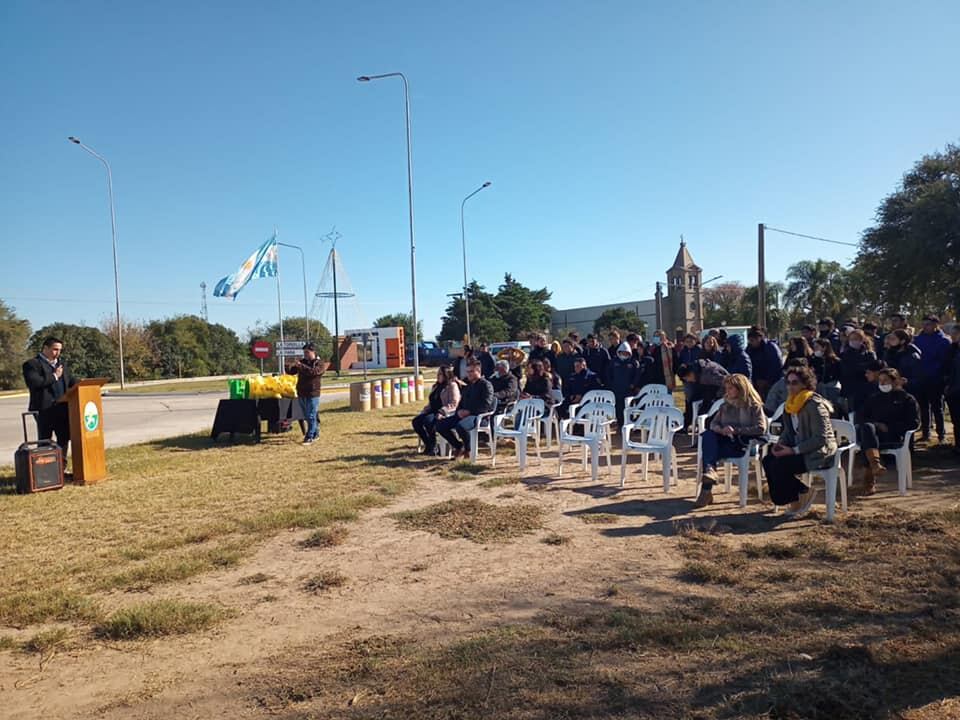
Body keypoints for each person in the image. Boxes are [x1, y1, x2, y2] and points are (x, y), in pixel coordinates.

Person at [762, 365, 837, 515]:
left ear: (805, 384)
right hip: (798, 448)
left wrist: (793, 450)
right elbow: (788, 431)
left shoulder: (814, 405)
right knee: (768, 460)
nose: (790, 386)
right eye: (788, 382)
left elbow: (820, 438)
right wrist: (780, 444)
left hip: (818, 453)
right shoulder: (790, 405)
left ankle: (800, 496)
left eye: (795, 382)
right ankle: (796, 497)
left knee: (781, 465)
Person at [694, 374, 767, 508]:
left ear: (741, 389)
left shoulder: (753, 406)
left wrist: (737, 430)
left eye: (731, 388)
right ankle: (710, 472)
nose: (727, 391)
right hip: (725, 441)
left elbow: (761, 428)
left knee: (709, 453)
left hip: (743, 444)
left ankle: (706, 490)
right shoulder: (725, 405)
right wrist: (720, 430)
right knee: (708, 435)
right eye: (726, 388)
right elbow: (713, 424)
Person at [855, 368, 920, 494]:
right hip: (873, 434)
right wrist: (876, 424)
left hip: (894, 436)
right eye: (880, 381)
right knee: (867, 428)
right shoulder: (874, 398)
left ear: (896, 382)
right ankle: (875, 465)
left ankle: (870, 477)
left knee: (866, 439)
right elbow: (860, 416)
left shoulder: (907, 399)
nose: (882, 384)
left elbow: (914, 423)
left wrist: (890, 427)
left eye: (886, 381)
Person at [23, 336, 77, 452]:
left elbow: (71, 381)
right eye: (55, 349)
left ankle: (61, 468)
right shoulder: (32, 364)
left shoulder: (61, 364)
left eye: (59, 350)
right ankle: (44, 468)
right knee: (45, 441)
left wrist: (85, 385)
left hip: (62, 408)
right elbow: (35, 383)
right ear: (45, 348)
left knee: (63, 438)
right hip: (43, 409)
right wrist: (54, 376)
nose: (57, 353)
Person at [435, 361, 495, 459]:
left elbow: (486, 404)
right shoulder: (469, 386)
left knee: (461, 426)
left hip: (479, 416)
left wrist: (469, 412)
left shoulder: (486, 385)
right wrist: (459, 411)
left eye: (471, 371)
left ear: (478, 371)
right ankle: (459, 446)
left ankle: (468, 449)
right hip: (463, 415)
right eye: (467, 372)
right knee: (440, 425)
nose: (469, 374)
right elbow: (461, 402)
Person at [912, 315, 951, 442]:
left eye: (928, 324)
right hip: (921, 378)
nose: (925, 326)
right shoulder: (917, 340)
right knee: (923, 407)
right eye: (923, 324)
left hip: (936, 379)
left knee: (937, 407)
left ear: (935, 325)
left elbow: (946, 361)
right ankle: (926, 432)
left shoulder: (944, 341)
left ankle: (941, 434)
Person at [412, 366, 460, 455]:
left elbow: (454, 403)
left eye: (440, 374)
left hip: (444, 412)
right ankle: (429, 444)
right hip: (432, 411)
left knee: (428, 421)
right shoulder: (436, 386)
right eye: (437, 374)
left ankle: (433, 447)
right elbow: (432, 402)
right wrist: (425, 410)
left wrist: (442, 411)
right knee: (416, 421)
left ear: (446, 375)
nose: (438, 376)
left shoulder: (452, 386)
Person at [286, 342, 327, 445]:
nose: (305, 354)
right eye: (304, 352)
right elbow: (292, 372)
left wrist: (301, 366)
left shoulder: (320, 363)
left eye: (307, 352)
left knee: (311, 415)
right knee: (306, 416)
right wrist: (288, 365)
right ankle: (316, 433)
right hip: (301, 392)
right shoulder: (302, 362)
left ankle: (309, 437)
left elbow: (313, 372)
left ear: (313, 352)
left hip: (313, 393)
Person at [838, 329, 877, 421]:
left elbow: (872, 368)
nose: (853, 341)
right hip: (849, 389)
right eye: (851, 339)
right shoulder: (845, 354)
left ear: (862, 339)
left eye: (856, 338)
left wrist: (858, 368)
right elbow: (845, 371)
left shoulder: (870, 354)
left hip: (866, 388)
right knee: (851, 415)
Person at [678, 359, 728, 429]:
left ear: (691, 373)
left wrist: (718, 396)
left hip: (721, 395)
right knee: (692, 401)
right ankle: (687, 425)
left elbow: (727, 383)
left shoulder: (709, 373)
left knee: (705, 411)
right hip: (710, 391)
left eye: (687, 378)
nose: (688, 381)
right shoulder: (698, 373)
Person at [607, 342, 639, 428]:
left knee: (629, 407)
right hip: (617, 390)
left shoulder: (633, 362)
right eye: (622, 352)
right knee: (619, 408)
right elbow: (609, 374)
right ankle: (620, 425)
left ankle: (629, 425)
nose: (624, 354)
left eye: (626, 352)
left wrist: (633, 384)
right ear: (619, 352)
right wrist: (611, 385)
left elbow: (637, 375)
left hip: (629, 390)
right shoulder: (613, 362)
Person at [746, 327, 783, 399]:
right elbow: (749, 366)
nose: (750, 342)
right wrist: (756, 380)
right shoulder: (749, 349)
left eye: (752, 340)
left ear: (759, 338)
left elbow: (776, 366)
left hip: (771, 383)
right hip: (756, 383)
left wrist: (766, 380)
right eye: (749, 340)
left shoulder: (771, 348)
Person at [944, 324, 960, 456]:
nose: (953, 336)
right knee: (956, 420)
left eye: (956, 333)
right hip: (953, 390)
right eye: (952, 333)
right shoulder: (951, 349)